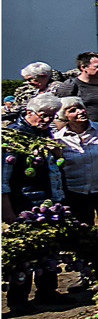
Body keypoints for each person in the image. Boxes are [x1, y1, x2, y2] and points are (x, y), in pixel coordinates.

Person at [51, 96, 98, 232]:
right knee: (83, 231)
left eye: (81, 108)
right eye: (72, 110)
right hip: (76, 192)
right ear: (63, 116)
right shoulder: (58, 140)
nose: (80, 112)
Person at [3, 94, 63, 224]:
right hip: (23, 203)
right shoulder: (13, 136)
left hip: (45, 201)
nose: (47, 120)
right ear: (29, 112)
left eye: (52, 116)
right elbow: (3, 178)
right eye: (43, 115)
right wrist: (6, 210)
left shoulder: (43, 133)